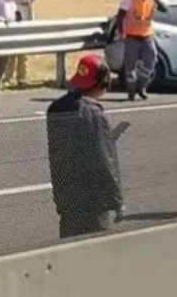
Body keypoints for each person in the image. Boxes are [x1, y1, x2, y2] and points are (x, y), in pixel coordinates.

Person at [47, 54, 123, 238]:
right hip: (93, 203)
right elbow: (105, 160)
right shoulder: (94, 113)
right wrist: (117, 200)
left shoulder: (56, 108)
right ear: (101, 83)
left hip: (66, 198)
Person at [111, 0, 167, 101]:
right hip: (132, 37)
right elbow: (120, 17)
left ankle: (141, 87)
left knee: (151, 60)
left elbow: (165, 9)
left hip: (147, 36)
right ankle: (131, 90)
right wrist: (121, 33)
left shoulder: (152, 0)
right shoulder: (128, 0)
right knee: (130, 66)